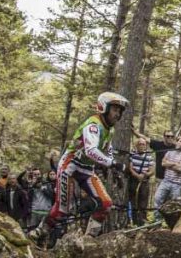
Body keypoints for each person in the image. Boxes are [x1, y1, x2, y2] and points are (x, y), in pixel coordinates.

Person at [34, 92, 130, 239]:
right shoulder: (93, 125)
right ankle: (39, 232)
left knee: (106, 204)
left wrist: (112, 166)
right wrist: (113, 164)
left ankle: (88, 239)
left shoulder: (110, 129)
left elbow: (108, 149)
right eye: (115, 110)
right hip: (70, 166)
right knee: (63, 209)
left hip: (86, 169)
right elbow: (91, 150)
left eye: (120, 111)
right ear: (104, 107)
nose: (118, 114)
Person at [154, 136, 181, 218]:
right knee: (158, 199)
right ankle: (157, 221)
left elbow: (180, 168)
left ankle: (173, 223)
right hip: (166, 181)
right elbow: (163, 163)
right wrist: (175, 163)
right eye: (180, 141)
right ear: (176, 142)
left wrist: (168, 164)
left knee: (175, 204)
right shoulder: (169, 152)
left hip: (177, 184)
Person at [127, 137, 154, 226]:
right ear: (137, 145)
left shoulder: (149, 156)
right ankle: (134, 221)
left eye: (143, 144)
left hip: (144, 181)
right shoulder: (132, 154)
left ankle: (142, 221)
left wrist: (145, 175)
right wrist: (137, 175)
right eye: (140, 144)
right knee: (133, 201)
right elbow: (130, 168)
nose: (142, 146)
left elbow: (152, 170)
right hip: (134, 180)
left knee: (143, 202)